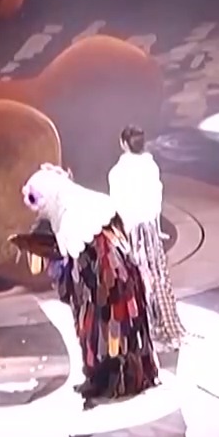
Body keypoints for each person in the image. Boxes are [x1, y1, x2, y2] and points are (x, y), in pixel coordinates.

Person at [12, 164, 160, 404]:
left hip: (107, 288)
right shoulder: (80, 206)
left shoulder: (75, 217)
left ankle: (118, 381)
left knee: (109, 331)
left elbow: (87, 260)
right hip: (97, 287)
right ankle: (100, 379)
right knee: (95, 333)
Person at [108, 126, 184, 351]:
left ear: (123, 143)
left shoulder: (117, 172)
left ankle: (140, 325)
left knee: (135, 277)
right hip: (150, 228)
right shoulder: (151, 166)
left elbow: (118, 205)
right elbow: (156, 198)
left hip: (132, 230)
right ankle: (162, 321)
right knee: (157, 276)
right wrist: (155, 227)